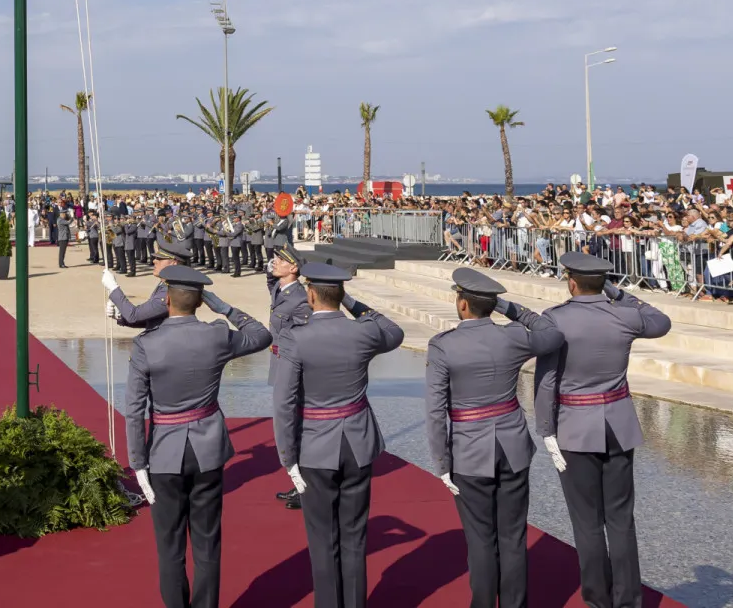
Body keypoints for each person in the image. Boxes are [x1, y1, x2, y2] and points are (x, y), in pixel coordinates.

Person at [125, 264, 270, 608]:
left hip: (163, 451)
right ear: (200, 301)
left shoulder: (147, 344)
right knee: (207, 542)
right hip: (208, 448)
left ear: (167, 301)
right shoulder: (217, 335)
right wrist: (225, 308)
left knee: (170, 544)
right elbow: (262, 334)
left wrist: (137, 463)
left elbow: (134, 409)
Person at [534, 252, 672, 608]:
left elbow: (547, 380)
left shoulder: (557, 320)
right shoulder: (624, 315)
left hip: (575, 428)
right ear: (603, 282)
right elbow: (661, 321)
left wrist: (545, 428)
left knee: (587, 521)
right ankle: (629, 601)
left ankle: (598, 599)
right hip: (618, 424)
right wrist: (620, 294)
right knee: (621, 518)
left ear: (571, 281)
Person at [426, 268, 564, 608]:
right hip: (512, 445)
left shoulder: (444, 345)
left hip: (469, 451)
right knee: (513, 536)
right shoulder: (514, 336)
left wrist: (442, 462)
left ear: (462, 305)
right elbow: (552, 333)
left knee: (480, 540)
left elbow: (435, 410)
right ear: (491, 305)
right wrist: (510, 309)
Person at [274, 262, 405, 608]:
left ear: (310, 294)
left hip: (315, 445)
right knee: (355, 536)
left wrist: (288, 458)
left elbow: (285, 402)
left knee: (322, 540)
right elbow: (394, 332)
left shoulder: (296, 338)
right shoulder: (363, 332)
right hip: (358, 442)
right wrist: (354, 304)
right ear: (341, 295)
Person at [264, 245, 313, 509]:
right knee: (289, 424)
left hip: (293, 367)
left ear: (293, 268)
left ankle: (305, 485)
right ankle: (300, 483)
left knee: (295, 425)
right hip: (280, 362)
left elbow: (305, 338)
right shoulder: (282, 290)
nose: (274, 262)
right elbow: (271, 280)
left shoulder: (299, 298)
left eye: (280, 260)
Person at [103, 236, 193, 329]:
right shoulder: (165, 284)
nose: (154, 261)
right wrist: (120, 316)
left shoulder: (172, 291)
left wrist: (113, 288)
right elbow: (152, 321)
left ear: (173, 263)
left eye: (160, 259)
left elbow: (134, 316)